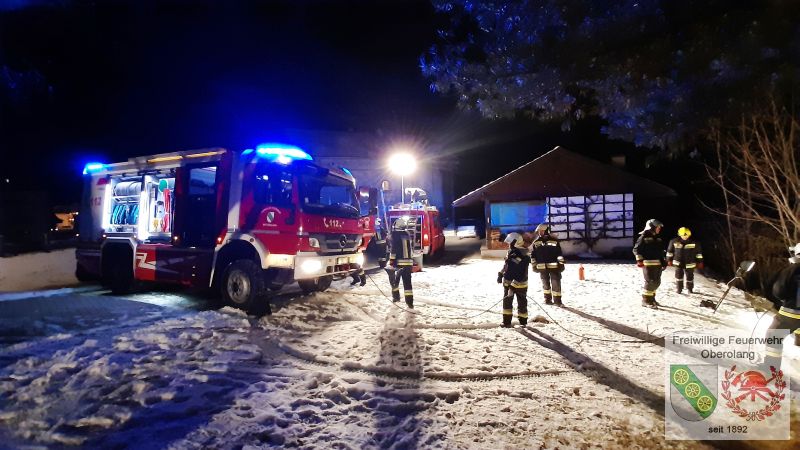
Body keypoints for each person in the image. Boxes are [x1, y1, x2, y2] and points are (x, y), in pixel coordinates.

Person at [763, 243, 800, 369]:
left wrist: (780, 300)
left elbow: (779, 291)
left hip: (791, 313)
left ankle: (770, 369)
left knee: (773, 336)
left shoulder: (793, 269)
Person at [498, 232, 531, 327]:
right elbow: (507, 265)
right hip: (508, 284)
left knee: (522, 303)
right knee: (507, 303)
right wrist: (501, 273)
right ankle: (506, 322)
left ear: (515, 242)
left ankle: (523, 322)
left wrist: (513, 286)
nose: (508, 244)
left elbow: (521, 273)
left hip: (519, 284)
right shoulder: (511, 252)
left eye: (510, 242)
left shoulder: (523, 255)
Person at [633, 219, 666, 308]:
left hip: (657, 264)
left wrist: (663, 262)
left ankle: (652, 299)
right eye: (658, 227)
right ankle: (646, 300)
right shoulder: (643, 237)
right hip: (648, 264)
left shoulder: (658, 238)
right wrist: (639, 260)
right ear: (652, 227)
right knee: (651, 282)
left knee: (657, 282)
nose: (659, 229)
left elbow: (660, 252)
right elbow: (636, 249)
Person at [531, 223, 565, 306]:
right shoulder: (536, 242)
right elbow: (533, 256)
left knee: (556, 283)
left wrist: (561, 264)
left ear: (546, 231)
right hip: (542, 268)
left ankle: (558, 301)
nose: (540, 233)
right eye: (539, 231)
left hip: (554, 267)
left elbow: (559, 254)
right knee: (545, 284)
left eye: (541, 231)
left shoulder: (554, 241)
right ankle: (547, 300)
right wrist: (534, 265)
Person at [387, 217, 415, 308]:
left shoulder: (395, 235)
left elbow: (394, 250)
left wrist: (391, 261)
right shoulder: (407, 235)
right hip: (408, 263)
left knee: (395, 282)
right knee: (407, 284)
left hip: (399, 263)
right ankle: (410, 303)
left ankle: (396, 297)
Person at [666, 227, 704, 294]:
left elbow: (698, 253)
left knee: (690, 277)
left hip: (690, 263)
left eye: (687, 235)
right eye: (683, 235)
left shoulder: (695, 243)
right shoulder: (674, 241)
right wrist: (669, 260)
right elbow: (669, 252)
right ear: (680, 235)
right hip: (678, 262)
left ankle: (690, 289)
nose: (685, 237)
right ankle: (679, 289)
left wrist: (700, 262)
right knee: (678, 276)